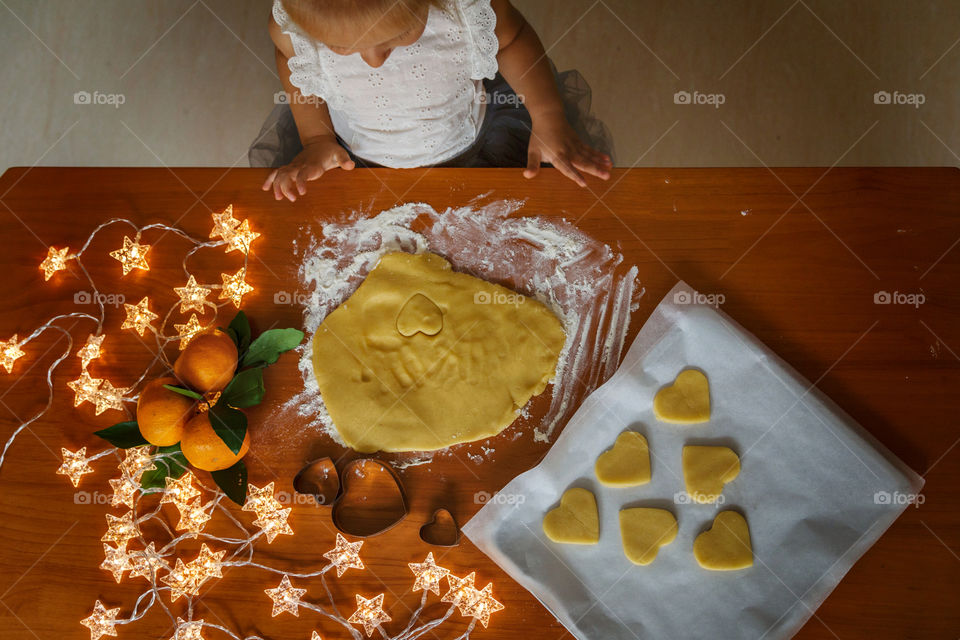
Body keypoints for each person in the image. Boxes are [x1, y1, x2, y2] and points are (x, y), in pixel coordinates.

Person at [257, 0, 614, 201]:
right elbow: (290, 58)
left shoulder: (462, 10)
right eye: (341, 48)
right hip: (354, 158)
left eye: (396, 37)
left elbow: (512, 39)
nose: (373, 60)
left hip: (474, 148)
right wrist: (316, 139)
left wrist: (547, 116)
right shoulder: (294, 27)